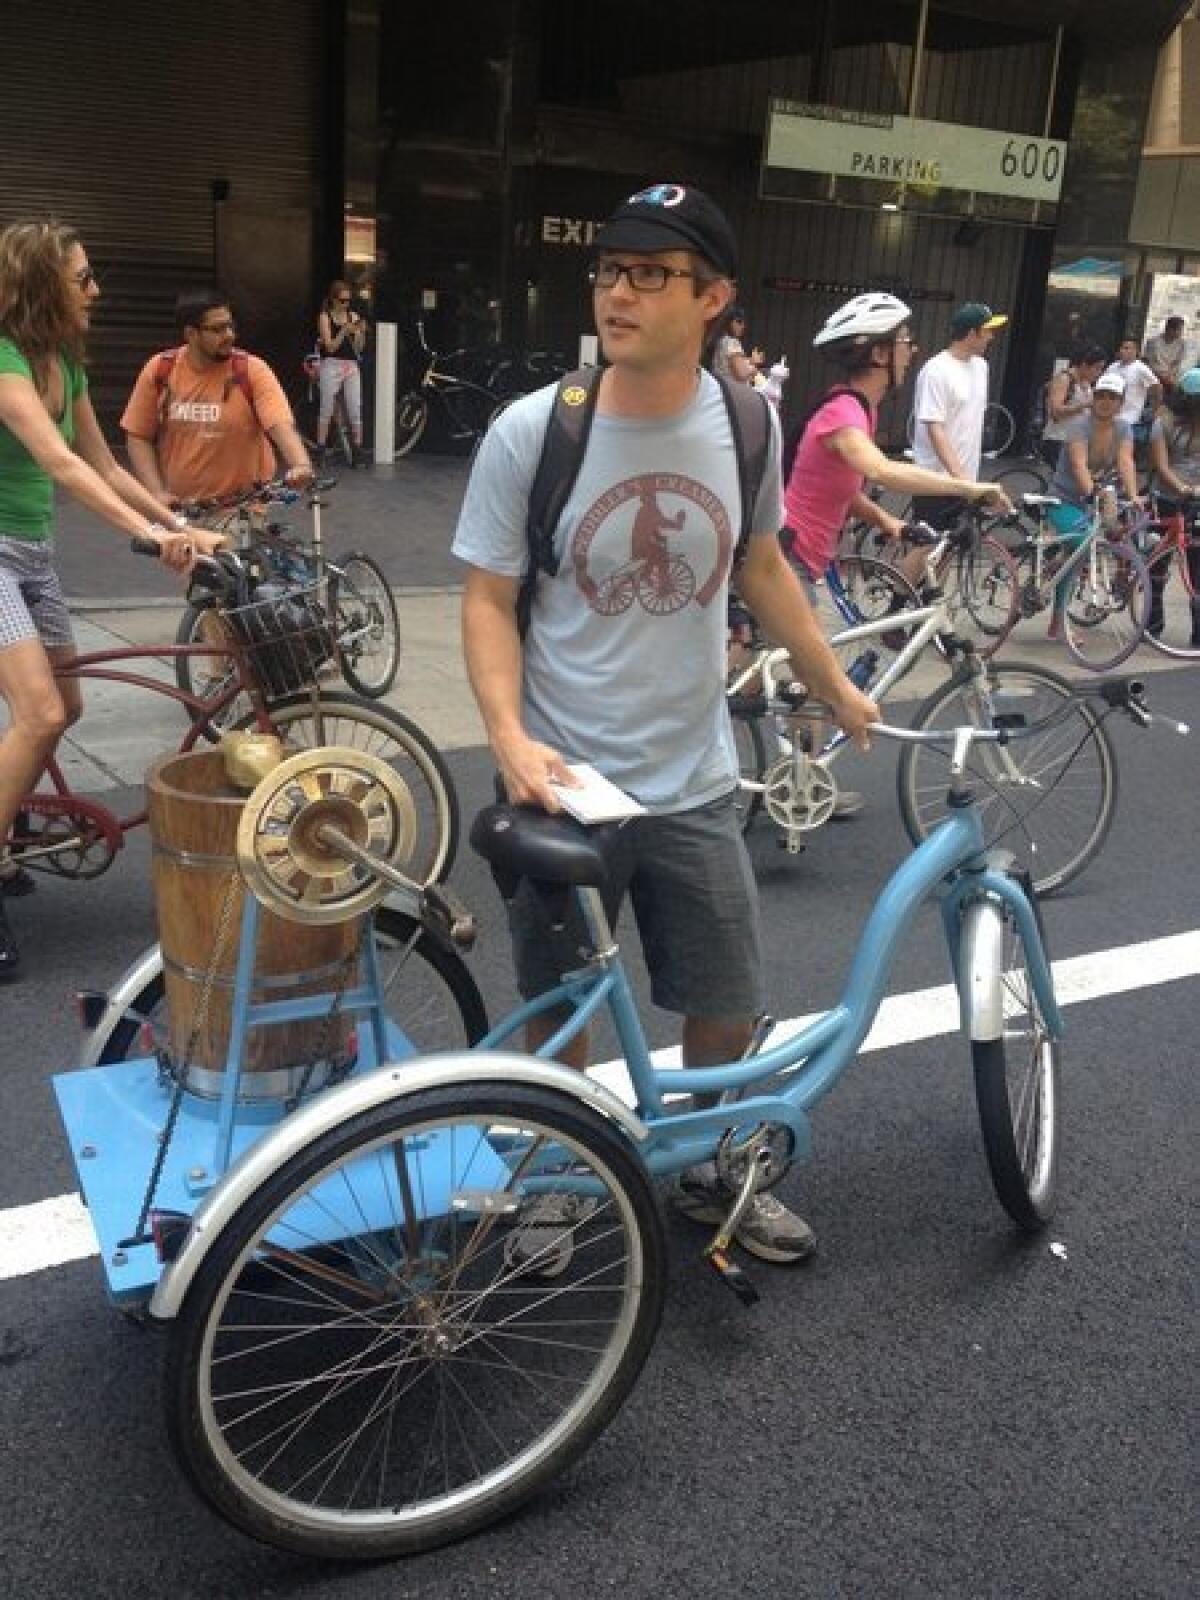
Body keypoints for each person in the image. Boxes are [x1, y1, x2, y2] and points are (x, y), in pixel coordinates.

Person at [453, 182, 878, 1267]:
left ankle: (709, 1169)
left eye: (651, 274)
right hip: (566, 780)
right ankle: (554, 1180)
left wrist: (833, 683)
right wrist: (506, 737)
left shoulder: (747, 422)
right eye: (609, 270)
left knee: (727, 1002)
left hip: (693, 778)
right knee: (559, 1014)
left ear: (715, 298)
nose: (619, 292)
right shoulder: (533, 432)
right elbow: (488, 598)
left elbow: (764, 563)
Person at [0, 220, 222, 978]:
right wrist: (144, 537)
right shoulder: (3, 360)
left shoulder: (65, 361)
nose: (96, 290)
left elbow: (107, 463)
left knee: (71, 708)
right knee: (40, 712)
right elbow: (59, 463)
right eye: (82, 277)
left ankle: (9, 825)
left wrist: (177, 524)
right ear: (42, 286)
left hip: (32, 553)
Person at [779, 292, 1012, 817]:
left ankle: (801, 782)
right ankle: (795, 789)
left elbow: (844, 483)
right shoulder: (843, 411)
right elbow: (878, 470)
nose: (911, 349)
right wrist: (971, 488)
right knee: (812, 677)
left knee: (801, 677)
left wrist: (888, 522)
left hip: (800, 558)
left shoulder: (856, 408)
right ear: (879, 353)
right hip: (785, 563)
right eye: (904, 341)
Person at [121, 288, 313, 503]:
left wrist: (300, 464)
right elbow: (138, 435)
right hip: (180, 509)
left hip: (241, 509)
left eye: (230, 325)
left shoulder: (252, 370)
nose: (229, 335)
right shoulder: (160, 369)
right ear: (191, 334)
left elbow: (280, 425)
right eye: (218, 329)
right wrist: (156, 492)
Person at [1045, 371, 1140, 638]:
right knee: (1083, 544)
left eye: (1112, 397)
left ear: (1120, 402)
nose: (1105, 402)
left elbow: (1126, 461)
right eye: (1100, 396)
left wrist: (1133, 495)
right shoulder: (1079, 426)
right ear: (1093, 398)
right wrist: (1091, 493)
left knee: (1078, 554)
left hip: (1092, 500)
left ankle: (1057, 622)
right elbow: (1078, 465)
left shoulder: (1123, 428)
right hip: (1063, 499)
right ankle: (1060, 620)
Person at [909, 301, 1008, 529]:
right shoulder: (937, 370)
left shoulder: (981, 367)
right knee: (927, 546)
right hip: (936, 479)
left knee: (954, 548)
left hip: (966, 479)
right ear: (972, 333)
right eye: (987, 331)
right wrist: (959, 477)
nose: (991, 337)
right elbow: (935, 428)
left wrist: (968, 482)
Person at [1146, 365, 1200, 644]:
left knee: (1196, 564)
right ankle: (1151, 623)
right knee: (1158, 563)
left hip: (1197, 498)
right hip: (1167, 497)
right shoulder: (1163, 422)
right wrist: (1183, 488)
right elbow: (1161, 464)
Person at [315, 278, 367, 466]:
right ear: (334, 300)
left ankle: (357, 449)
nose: (346, 305)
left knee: (355, 407)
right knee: (327, 407)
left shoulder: (353, 316)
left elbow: (359, 349)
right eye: (343, 301)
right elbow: (329, 347)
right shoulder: (325, 317)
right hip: (332, 363)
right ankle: (320, 448)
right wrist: (344, 331)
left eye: (349, 301)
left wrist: (360, 333)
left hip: (351, 366)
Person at [1039, 345, 1107, 470]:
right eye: (1097, 368)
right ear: (1084, 365)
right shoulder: (1064, 379)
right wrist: (1085, 405)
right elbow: (1055, 411)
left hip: (1078, 440)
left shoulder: (1086, 383)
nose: (1099, 373)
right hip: (1059, 440)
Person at [1102, 337, 1161, 429]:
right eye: (1122, 348)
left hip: (1129, 415)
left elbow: (1157, 388)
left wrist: (1155, 411)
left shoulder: (1141, 369)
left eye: (1127, 348)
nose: (1123, 351)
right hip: (1109, 411)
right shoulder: (1112, 366)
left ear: (1136, 351)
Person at [710, 305, 763, 385]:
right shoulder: (733, 343)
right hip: (733, 391)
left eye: (743, 322)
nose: (742, 326)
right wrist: (754, 367)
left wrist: (750, 360)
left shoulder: (720, 340)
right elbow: (742, 374)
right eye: (739, 321)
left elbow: (729, 365)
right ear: (728, 322)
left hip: (720, 387)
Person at [1143, 315, 1191, 397]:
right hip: (1154, 376)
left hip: (1171, 377)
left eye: (1181, 330)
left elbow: (1177, 363)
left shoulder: (1182, 344)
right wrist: (1163, 377)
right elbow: (1150, 364)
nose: (1181, 333)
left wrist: (1170, 376)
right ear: (1169, 329)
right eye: (1179, 330)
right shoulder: (1153, 342)